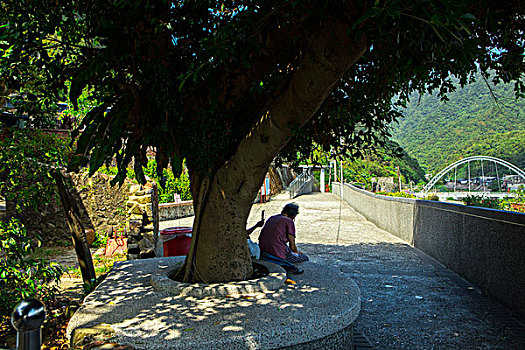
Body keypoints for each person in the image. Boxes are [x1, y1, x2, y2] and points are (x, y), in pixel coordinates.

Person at [258, 203, 309, 274]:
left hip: (263, 250)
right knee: (304, 257)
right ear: (294, 215)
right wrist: (296, 252)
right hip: (277, 252)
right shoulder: (289, 221)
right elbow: (292, 246)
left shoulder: (272, 218)